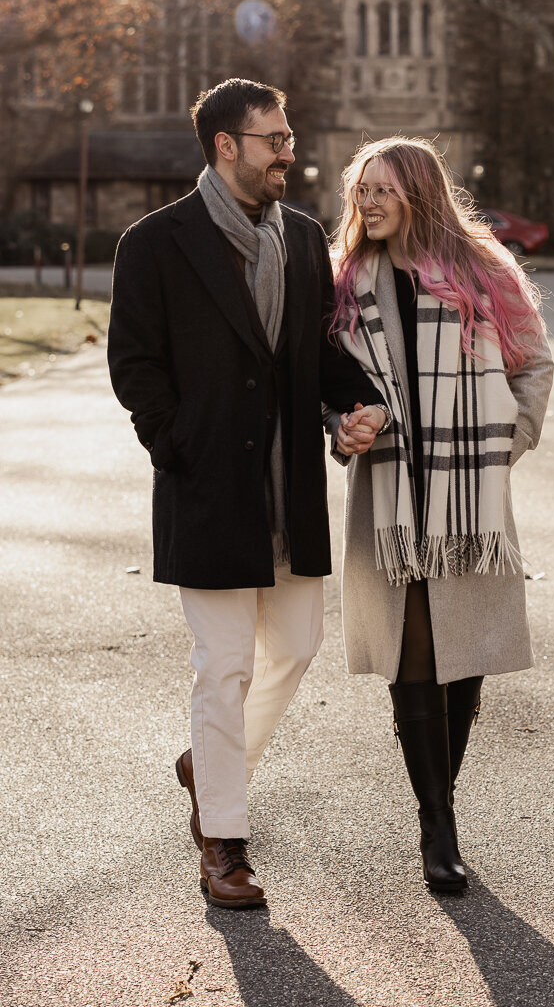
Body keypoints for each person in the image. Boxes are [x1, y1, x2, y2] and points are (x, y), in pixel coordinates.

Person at [107, 78, 387, 909]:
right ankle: (223, 845)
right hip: (207, 489)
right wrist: (175, 446)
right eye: (274, 139)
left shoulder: (302, 240)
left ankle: (208, 762)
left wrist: (356, 402)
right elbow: (135, 366)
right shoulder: (155, 243)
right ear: (226, 145)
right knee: (221, 667)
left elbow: (318, 354)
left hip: (289, 489)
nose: (289, 152)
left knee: (296, 648)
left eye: (288, 136)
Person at [327, 137, 554, 895]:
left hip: (469, 494)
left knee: (465, 659)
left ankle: (439, 809)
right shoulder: (342, 280)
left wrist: (506, 443)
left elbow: (532, 362)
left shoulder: (482, 270)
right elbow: (329, 385)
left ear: (420, 194)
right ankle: (438, 828)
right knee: (413, 654)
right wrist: (340, 427)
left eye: (385, 189)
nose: (370, 202)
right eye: (363, 189)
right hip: (391, 497)